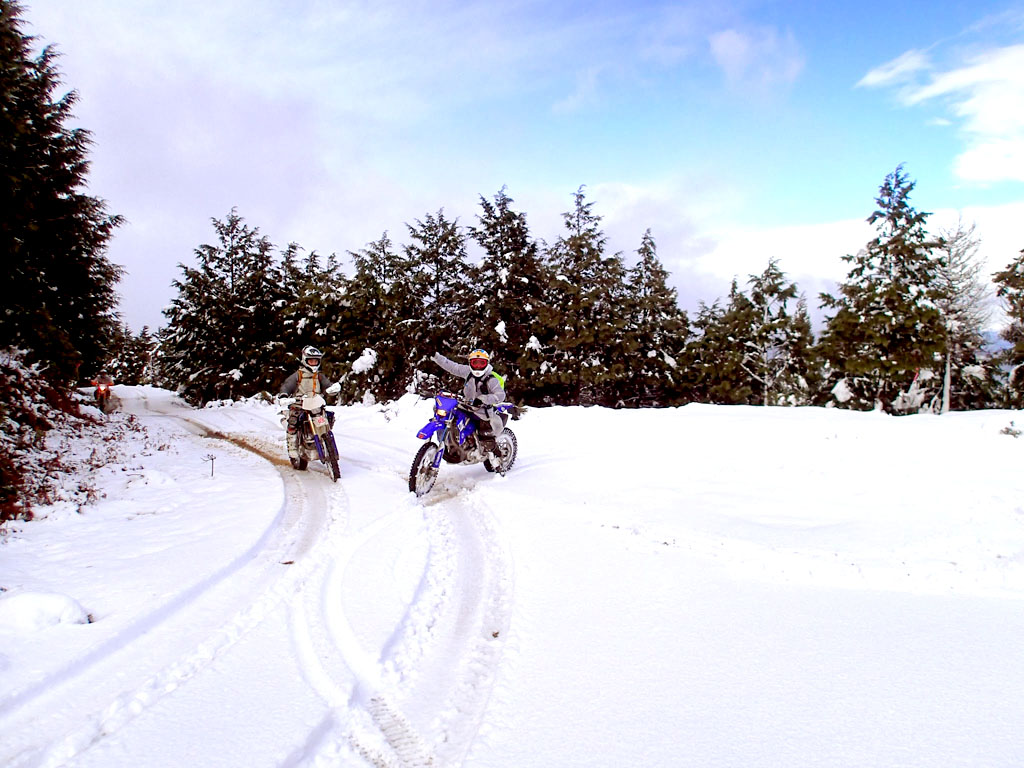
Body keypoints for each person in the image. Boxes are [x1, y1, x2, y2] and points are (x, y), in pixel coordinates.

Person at [431, 348, 506, 451]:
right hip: (466, 406)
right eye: (475, 363)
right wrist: (435, 356)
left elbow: (500, 395)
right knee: (449, 415)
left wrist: (483, 399)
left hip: (482, 411)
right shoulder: (468, 372)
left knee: (485, 437)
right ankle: (451, 442)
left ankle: (492, 452)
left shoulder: (491, 379)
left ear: (487, 363)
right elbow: (452, 366)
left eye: (481, 363)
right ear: (470, 363)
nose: (478, 367)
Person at [278, 346, 340, 459]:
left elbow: (328, 385)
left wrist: (333, 388)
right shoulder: (298, 375)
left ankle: (326, 441)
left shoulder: (319, 376)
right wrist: (283, 396)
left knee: (329, 417)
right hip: (299, 405)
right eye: (311, 361)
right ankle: (292, 447)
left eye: (316, 361)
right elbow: (287, 386)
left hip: (315, 404)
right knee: (293, 421)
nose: (314, 363)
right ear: (305, 360)